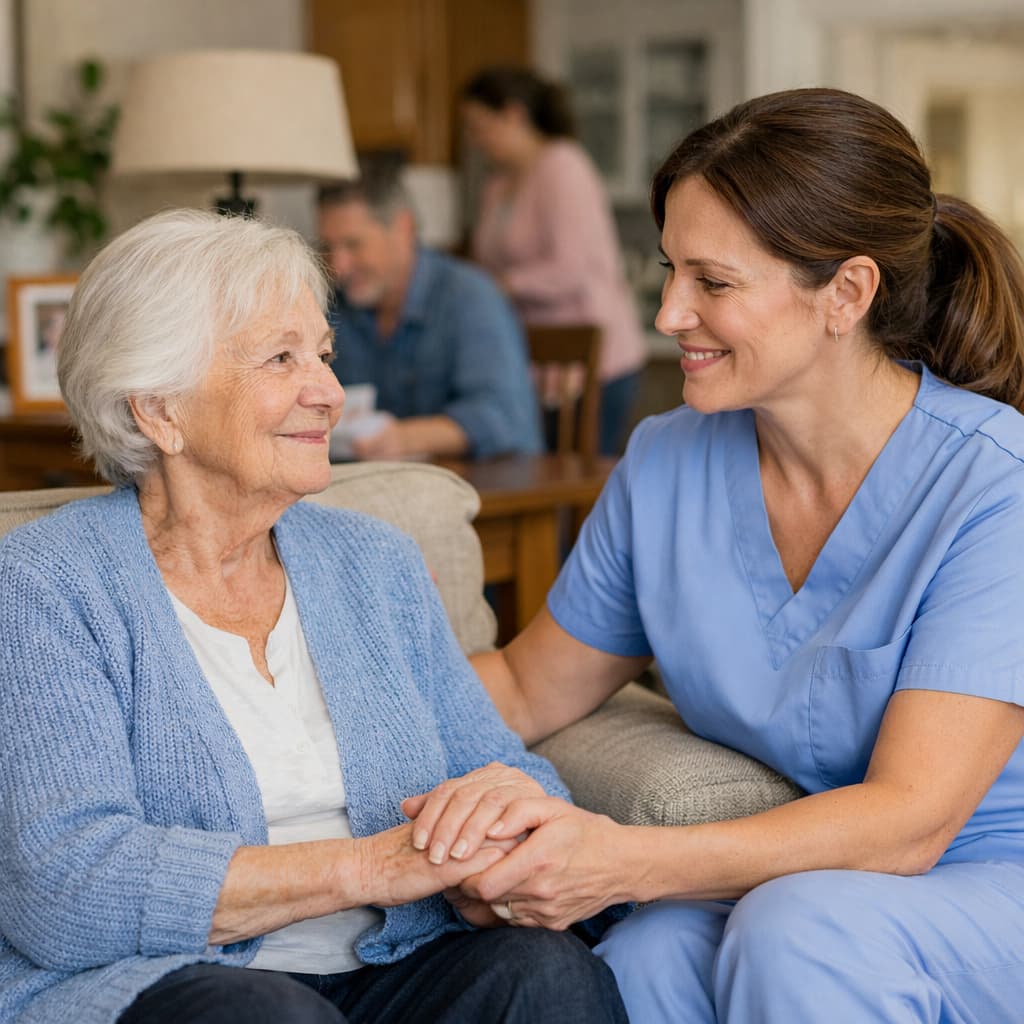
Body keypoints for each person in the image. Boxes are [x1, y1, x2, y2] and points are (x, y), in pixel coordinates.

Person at [405, 88, 1024, 1022]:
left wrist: (622, 861)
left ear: (847, 294)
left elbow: (911, 821)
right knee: (646, 957)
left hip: (981, 877)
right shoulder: (665, 463)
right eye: (668, 272)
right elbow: (529, 688)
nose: (666, 315)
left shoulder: (994, 488)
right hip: (805, 879)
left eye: (712, 282)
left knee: (797, 931)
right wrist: (314, 731)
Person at [0, 209, 628, 1024]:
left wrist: (502, 839)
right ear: (159, 410)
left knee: (548, 975)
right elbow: (64, 882)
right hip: (177, 984)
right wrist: (369, 867)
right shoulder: (48, 585)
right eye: (282, 358)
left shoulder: (376, 563)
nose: (329, 393)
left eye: (325, 355)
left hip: (397, 971)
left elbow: (509, 770)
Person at [461, 66, 648, 456]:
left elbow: (572, 269)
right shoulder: (497, 183)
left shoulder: (563, 166)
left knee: (584, 481)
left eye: (479, 126)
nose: (474, 139)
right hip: (535, 359)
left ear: (513, 115)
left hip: (593, 358)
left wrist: (502, 285)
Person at [317, 168, 542, 461]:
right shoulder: (336, 306)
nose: (339, 265)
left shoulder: (469, 297)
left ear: (403, 228)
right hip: (383, 488)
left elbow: (503, 415)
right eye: (327, 247)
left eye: (353, 245)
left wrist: (402, 438)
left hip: (485, 486)